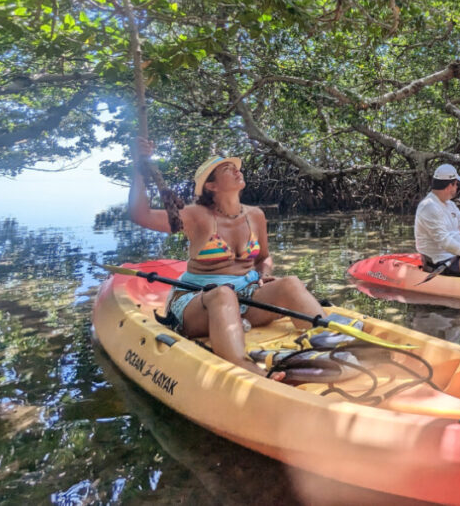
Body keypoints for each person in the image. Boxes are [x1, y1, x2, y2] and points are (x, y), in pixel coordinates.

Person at [129, 139, 326, 376]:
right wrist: (139, 166)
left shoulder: (256, 215)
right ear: (211, 186)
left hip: (247, 297)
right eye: (226, 169)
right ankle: (244, 366)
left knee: (291, 283)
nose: (237, 169)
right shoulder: (196, 216)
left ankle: (325, 339)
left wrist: (264, 275)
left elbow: (263, 257)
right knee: (224, 294)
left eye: (236, 167)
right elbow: (140, 215)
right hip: (199, 302)